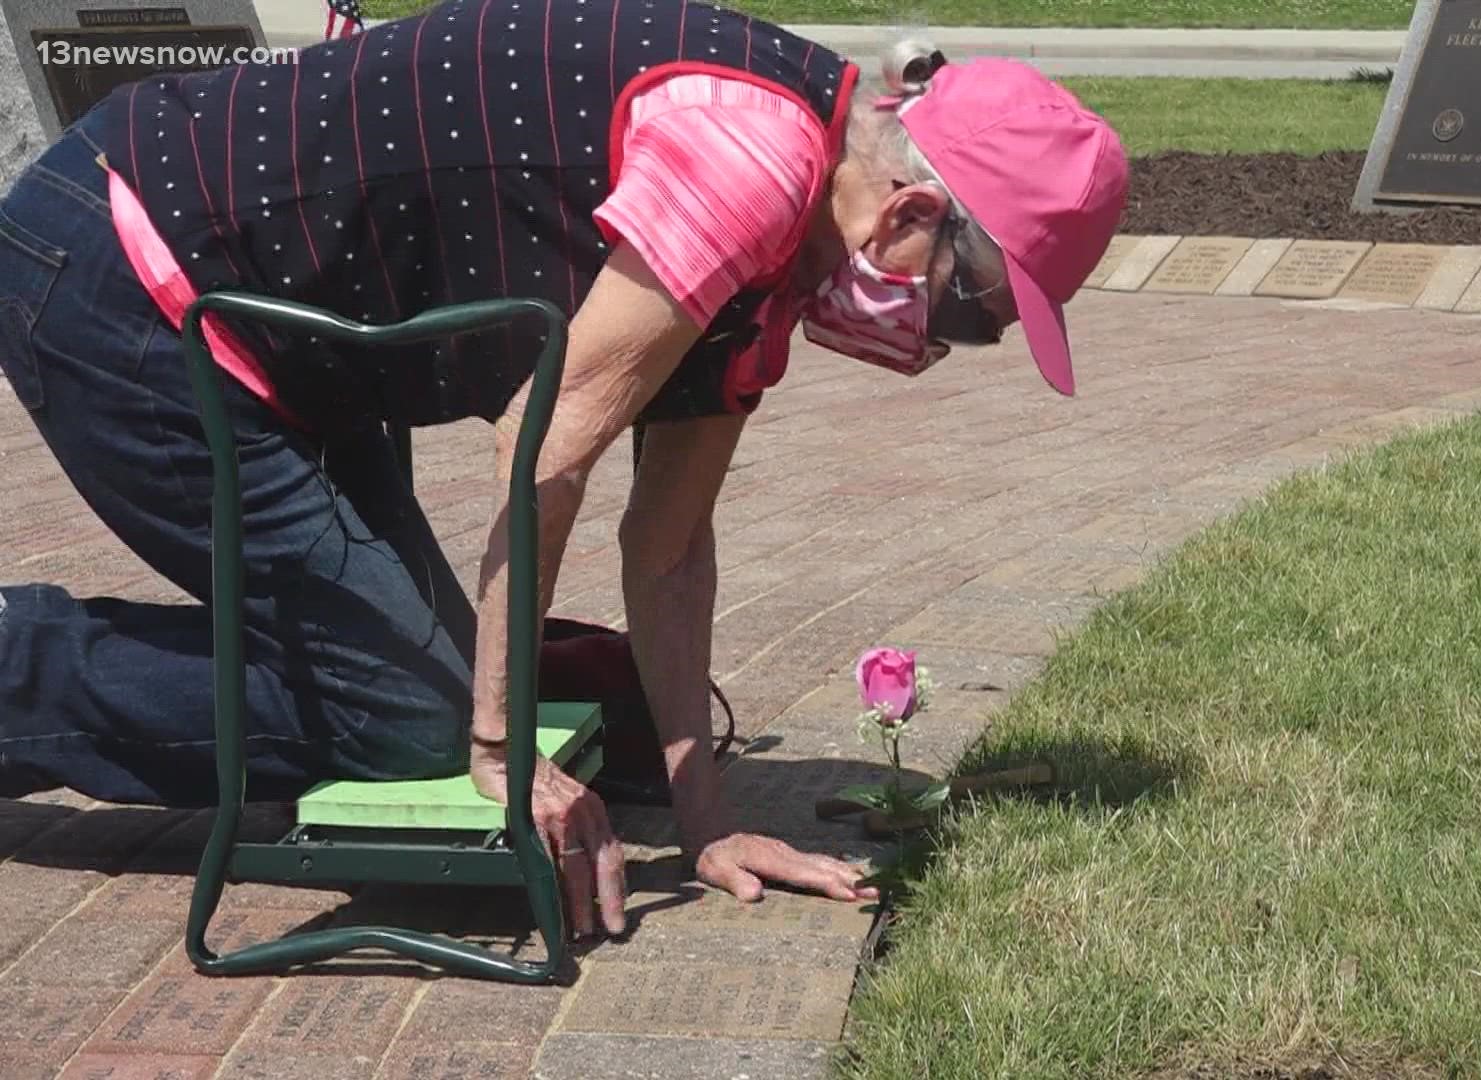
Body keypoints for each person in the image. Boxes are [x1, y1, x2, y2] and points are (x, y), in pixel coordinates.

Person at [0, 0, 1128, 936]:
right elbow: (540, 454)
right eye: (973, 314)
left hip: (287, 335)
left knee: (430, 680)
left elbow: (670, 546)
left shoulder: (779, 260)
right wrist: (495, 748)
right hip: (128, 270)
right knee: (406, 717)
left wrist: (708, 820)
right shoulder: (751, 162)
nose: (937, 349)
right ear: (913, 214)